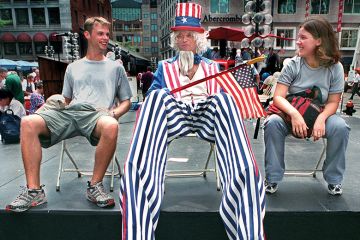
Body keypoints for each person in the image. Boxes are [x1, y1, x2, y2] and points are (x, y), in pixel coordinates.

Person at [120, 3, 265, 240]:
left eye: (190, 35)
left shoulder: (212, 67)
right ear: (175, 39)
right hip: (174, 115)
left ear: (199, 39)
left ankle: (244, 178)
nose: (184, 39)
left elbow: (222, 100)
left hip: (207, 115)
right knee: (155, 97)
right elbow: (154, 102)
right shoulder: (164, 67)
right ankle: (139, 178)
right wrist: (161, 95)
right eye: (180, 35)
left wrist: (219, 95)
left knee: (224, 100)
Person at [5, 16, 132, 212]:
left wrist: (114, 113)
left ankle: (95, 185)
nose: (105, 37)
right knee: (28, 122)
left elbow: (126, 101)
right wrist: (50, 106)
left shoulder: (116, 67)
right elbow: (67, 100)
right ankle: (34, 191)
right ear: (87, 35)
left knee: (111, 125)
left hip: (96, 115)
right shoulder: (73, 67)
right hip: (70, 112)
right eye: (100, 33)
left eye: (107, 34)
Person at [264, 16, 350, 196]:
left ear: (319, 41)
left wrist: (321, 119)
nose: (298, 41)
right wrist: (294, 114)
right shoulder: (293, 64)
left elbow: (333, 102)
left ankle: (334, 180)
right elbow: (278, 97)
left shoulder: (335, 68)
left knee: (340, 127)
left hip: (320, 114)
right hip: (291, 115)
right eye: (298, 37)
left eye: (303, 37)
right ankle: (272, 177)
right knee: (272, 123)